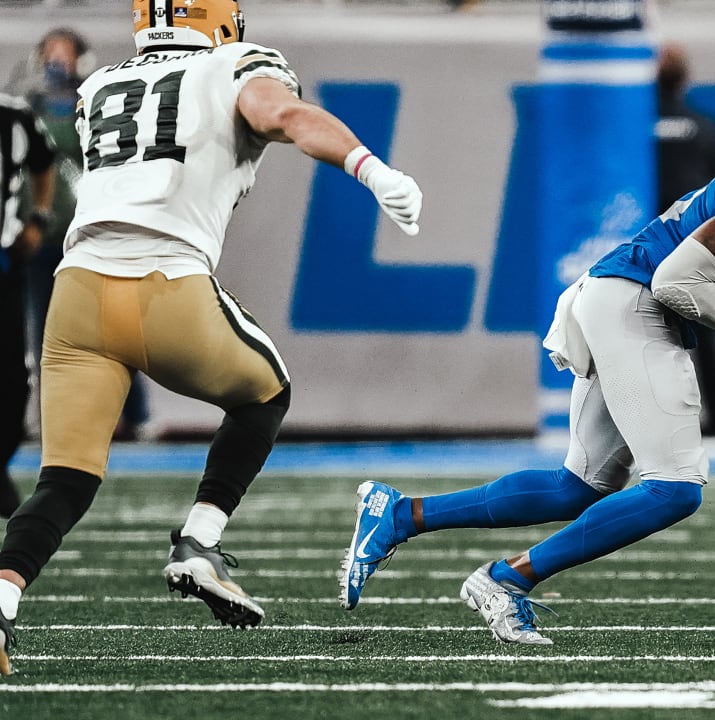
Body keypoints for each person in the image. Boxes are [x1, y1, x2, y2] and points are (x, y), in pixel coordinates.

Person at [340, 61, 715, 645]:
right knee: (674, 488)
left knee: (578, 488)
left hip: (631, 299)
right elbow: (676, 281)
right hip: (636, 299)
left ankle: (399, 514)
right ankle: (505, 579)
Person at [0, 0, 423, 676]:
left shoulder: (99, 84)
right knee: (266, 391)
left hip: (75, 293)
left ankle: (2, 598)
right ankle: (198, 541)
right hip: (165, 285)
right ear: (220, 19)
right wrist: (370, 167)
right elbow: (282, 115)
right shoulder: (233, 64)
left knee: (66, 479)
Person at [6, 29, 154, 443]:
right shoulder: (27, 108)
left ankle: (135, 413)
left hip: (87, 231)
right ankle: (53, 418)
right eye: (50, 53)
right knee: (41, 333)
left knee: (112, 326)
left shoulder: (94, 105)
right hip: (39, 234)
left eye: (64, 53)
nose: (56, 61)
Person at [653, 43, 715, 434]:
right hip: (698, 240)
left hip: (652, 241)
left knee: (646, 333)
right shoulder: (704, 124)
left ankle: (659, 418)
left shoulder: (631, 128)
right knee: (705, 330)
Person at [0, 94, 57, 524]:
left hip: (2, 265)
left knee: (14, 381)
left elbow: (44, 163)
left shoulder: (14, 115)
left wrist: (38, 217)